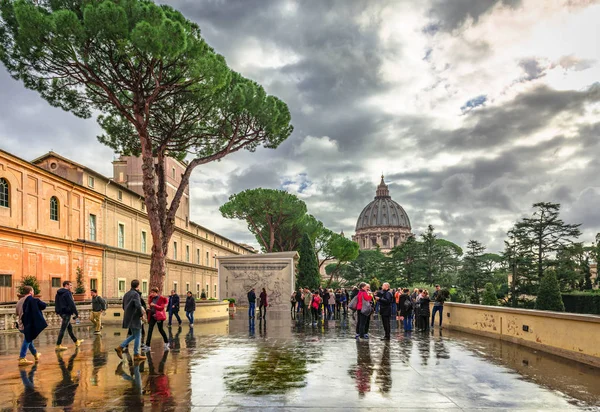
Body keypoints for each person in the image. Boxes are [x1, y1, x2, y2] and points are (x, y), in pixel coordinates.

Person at [115, 279, 146, 361]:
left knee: (134, 335)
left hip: (128, 317)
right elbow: (138, 306)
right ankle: (136, 354)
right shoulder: (135, 294)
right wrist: (141, 315)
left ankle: (120, 347)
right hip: (135, 317)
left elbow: (123, 307)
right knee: (138, 335)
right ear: (138, 286)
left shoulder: (126, 294)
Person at [16, 286, 47, 366]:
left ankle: (35, 354)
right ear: (30, 292)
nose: (33, 293)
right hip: (28, 325)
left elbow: (17, 313)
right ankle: (22, 358)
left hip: (21, 324)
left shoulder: (19, 301)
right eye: (33, 291)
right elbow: (43, 306)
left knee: (29, 340)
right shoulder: (33, 300)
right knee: (27, 339)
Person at [54, 280, 83, 351]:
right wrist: (76, 313)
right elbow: (71, 303)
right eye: (70, 285)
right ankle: (58, 345)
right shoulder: (67, 293)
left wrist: (58, 311)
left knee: (69, 327)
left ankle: (76, 341)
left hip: (62, 313)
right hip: (67, 313)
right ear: (66, 285)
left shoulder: (58, 293)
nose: (71, 287)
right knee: (63, 329)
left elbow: (56, 303)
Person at [146, 287, 170, 351]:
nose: (152, 294)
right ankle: (147, 345)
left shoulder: (161, 298)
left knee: (160, 329)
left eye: (153, 292)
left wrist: (154, 305)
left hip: (159, 316)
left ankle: (166, 342)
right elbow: (150, 306)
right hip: (152, 316)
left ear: (156, 292)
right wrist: (149, 309)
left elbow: (161, 308)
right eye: (151, 292)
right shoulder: (151, 298)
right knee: (150, 330)